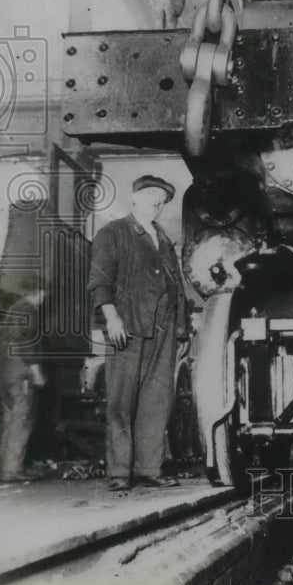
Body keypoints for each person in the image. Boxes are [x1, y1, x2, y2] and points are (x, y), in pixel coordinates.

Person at [88, 175, 187, 492]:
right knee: (121, 401)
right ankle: (120, 471)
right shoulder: (113, 233)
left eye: (162, 198)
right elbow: (100, 280)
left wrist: (181, 331)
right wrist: (110, 315)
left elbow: (177, 289)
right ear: (134, 198)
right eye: (152, 195)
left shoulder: (165, 239)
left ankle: (149, 468)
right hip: (127, 327)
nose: (158, 202)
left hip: (163, 331)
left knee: (156, 402)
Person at [0, 287, 48, 483]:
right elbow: (28, 342)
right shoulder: (29, 311)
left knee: (9, 418)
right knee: (22, 420)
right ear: (38, 292)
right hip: (19, 371)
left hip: (2, 369)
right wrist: (36, 371)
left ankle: (4, 467)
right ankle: (12, 470)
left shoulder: (12, 309)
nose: (44, 298)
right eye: (44, 294)